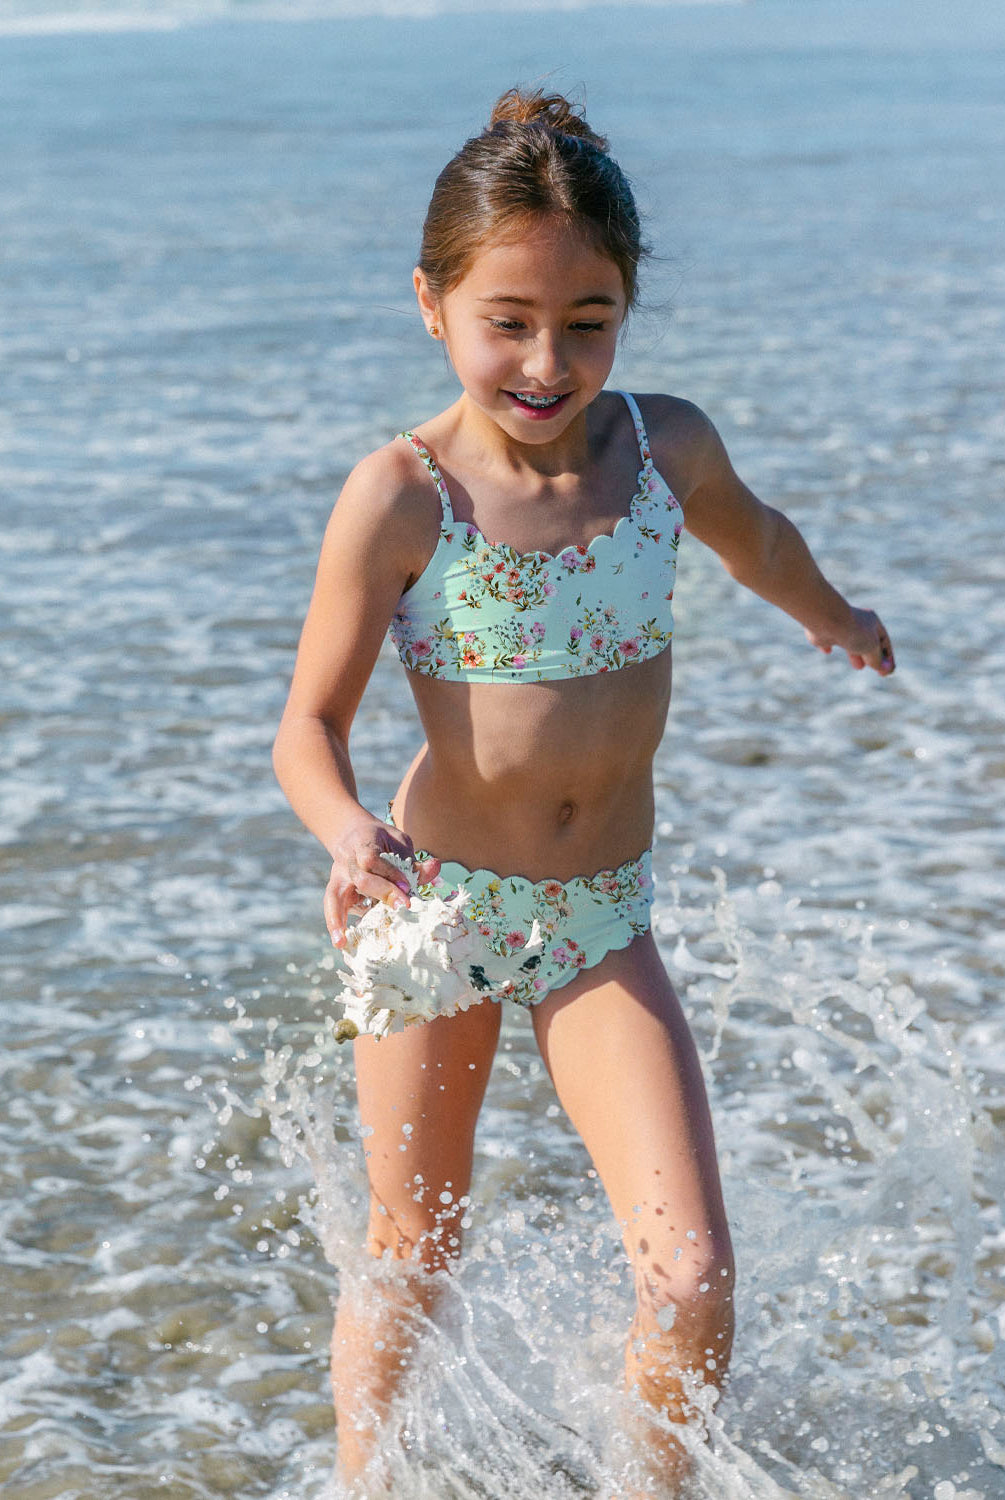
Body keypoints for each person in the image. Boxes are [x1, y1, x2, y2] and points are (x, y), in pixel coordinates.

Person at [271, 87, 895, 1493]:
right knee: (412, 1246)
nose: (547, 361)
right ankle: (365, 1482)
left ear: (627, 308)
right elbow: (306, 725)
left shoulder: (663, 452)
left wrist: (835, 616)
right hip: (435, 911)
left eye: (588, 320)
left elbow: (758, 540)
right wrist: (349, 831)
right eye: (507, 320)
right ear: (431, 304)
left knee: (688, 1275)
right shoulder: (403, 495)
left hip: (600, 917)